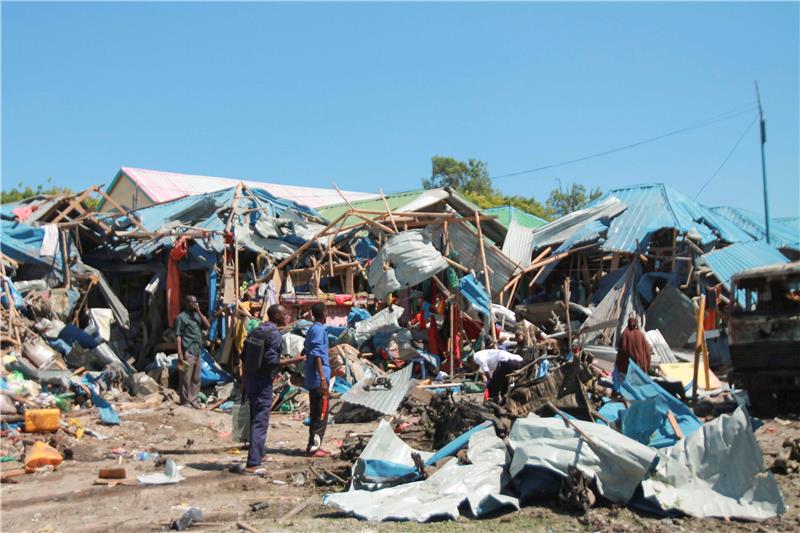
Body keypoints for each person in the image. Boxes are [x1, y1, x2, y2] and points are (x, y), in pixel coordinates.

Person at [241, 304, 304, 474]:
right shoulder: (275, 335)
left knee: (256, 417)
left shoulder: (257, 330)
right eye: (285, 314)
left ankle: (259, 454)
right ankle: (253, 463)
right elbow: (271, 362)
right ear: (276, 316)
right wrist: (295, 360)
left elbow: (243, 354)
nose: (287, 317)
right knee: (260, 421)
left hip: (251, 379)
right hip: (262, 381)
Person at [303, 303, 331, 457]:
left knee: (315, 413)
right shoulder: (319, 330)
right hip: (318, 379)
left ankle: (311, 445)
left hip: (312, 378)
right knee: (321, 414)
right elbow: (317, 355)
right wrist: (322, 378)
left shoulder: (312, 329)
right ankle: (315, 448)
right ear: (324, 313)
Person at [175, 295, 210, 408]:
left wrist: (199, 311)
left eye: (196, 302)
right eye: (192, 302)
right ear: (187, 303)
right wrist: (180, 354)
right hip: (187, 350)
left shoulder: (196, 315)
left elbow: (207, 325)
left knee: (196, 377)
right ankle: (185, 401)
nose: (195, 304)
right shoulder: (181, 317)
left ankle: (194, 400)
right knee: (186, 377)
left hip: (197, 350)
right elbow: (178, 336)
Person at [614, 314, 652, 389]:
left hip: (628, 366)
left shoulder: (625, 333)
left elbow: (621, 349)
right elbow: (648, 351)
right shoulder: (640, 334)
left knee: (623, 383)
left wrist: (619, 363)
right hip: (640, 366)